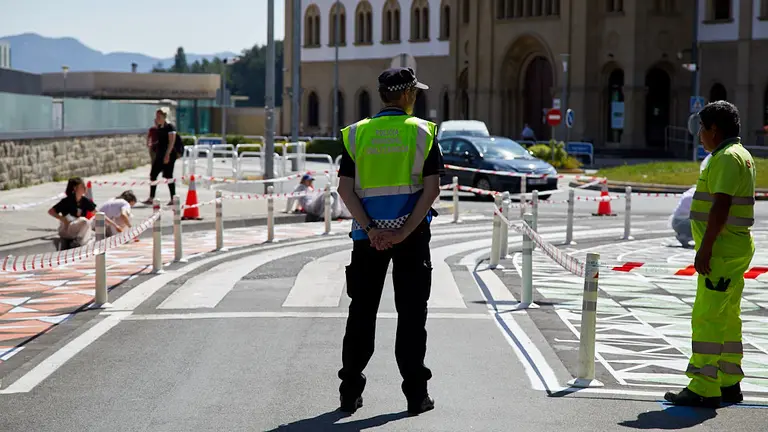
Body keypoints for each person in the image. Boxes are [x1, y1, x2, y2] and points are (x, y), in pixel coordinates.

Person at [336, 67, 443, 415]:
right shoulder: (423, 132)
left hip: (367, 238)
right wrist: (402, 232)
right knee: (411, 315)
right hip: (411, 237)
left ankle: (350, 392)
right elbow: (431, 191)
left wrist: (371, 230)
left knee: (361, 314)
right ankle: (416, 396)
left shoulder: (356, 134)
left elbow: (345, 190)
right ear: (408, 95)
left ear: (383, 96)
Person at [664, 101, 756, 408]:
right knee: (728, 317)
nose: (699, 135)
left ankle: (703, 386)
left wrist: (705, 249)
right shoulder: (739, 155)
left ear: (714, 130)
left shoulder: (726, 158)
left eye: (702, 129)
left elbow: (721, 206)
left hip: (720, 253)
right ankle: (729, 382)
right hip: (732, 250)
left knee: (707, 318)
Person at [670, 154, 712, 248]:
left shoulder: (697, 189)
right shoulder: (700, 192)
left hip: (679, 220)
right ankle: (685, 236)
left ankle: (687, 235)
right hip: (682, 221)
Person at [142, 107, 177, 206]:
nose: (157, 118)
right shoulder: (160, 127)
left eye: (159, 116)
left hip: (168, 154)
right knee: (153, 174)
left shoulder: (170, 127)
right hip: (159, 154)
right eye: (156, 116)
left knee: (168, 176)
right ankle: (151, 197)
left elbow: (172, 141)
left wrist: (167, 154)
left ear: (164, 116)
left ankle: (173, 198)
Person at [48, 177, 97, 247]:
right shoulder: (67, 201)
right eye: (82, 186)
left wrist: (114, 225)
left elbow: (97, 213)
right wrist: (62, 219)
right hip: (67, 228)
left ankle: (80, 241)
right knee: (84, 221)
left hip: (77, 229)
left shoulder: (85, 201)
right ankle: (77, 241)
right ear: (75, 188)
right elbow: (51, 211)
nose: (85, 188)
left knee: (94, 233)